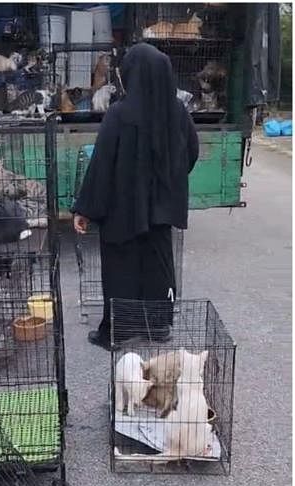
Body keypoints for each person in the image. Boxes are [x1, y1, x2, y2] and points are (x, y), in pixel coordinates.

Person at [72, 43, 199, 350]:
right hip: (161, 210)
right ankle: (158, 327)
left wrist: (85, 208)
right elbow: (191, 153)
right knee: (158, 267)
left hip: (123, 209)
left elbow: (101, 164)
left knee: (120, 267)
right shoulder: (178, 112)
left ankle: (118, 331)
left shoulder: (119, 114)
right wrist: (169, 185)